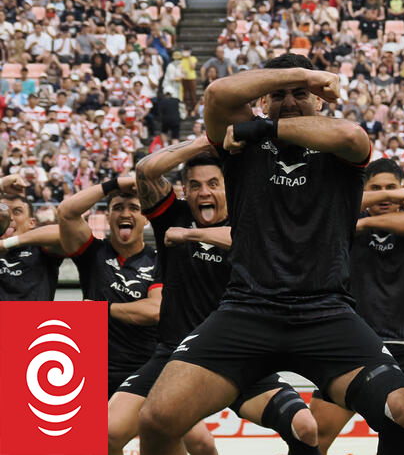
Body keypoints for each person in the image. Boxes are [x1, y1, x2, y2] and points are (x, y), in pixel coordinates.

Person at [136, 54, 404, 455]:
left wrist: (261, 125)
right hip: (247, 309)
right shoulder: (239, 148)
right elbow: (218, 93)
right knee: (156, 419)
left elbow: (355, 138)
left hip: (326, 312)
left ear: (320, 101)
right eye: (278, 95)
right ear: (262, 100)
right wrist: (304, 75)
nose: (290, 100)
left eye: (301, 94)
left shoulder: (333, 143)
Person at [113, 136, 321, 455]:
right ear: (185, 191)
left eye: (213, 183)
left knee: (305, 427)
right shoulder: (172, 215)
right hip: (174, 355)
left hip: (238, 355)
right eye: (194, 186)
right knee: (107, 432)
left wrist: (191, 234)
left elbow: (245, 240)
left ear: (228, 187)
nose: (204, 192)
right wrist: (204, 142)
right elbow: (145, 173)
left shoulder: (248, 217)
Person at [310, 158, 404, 455]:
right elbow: (330, 204)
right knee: (313, 436)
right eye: (377, 189)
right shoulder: (341, 222)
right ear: (363, 191)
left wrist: (364, 222)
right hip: (355, 346)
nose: (386, 195)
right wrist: (360, 217)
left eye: (391, 188)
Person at [55, 177, 160, 397]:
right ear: (108, 216)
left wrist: (100, 309)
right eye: (118, 208)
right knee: (95, 432)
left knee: (185, 432)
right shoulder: (92, 252)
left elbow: (154, 310)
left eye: (134, 208)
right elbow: (66, 212)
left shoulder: (159, 260)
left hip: (143, 370)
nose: (125, 214)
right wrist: (113, 184)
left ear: (145, 218)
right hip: (91, 370)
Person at [0, 175, 66, 300]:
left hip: (34, 319)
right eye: (3, 212)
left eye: (17, 211)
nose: (9, 218)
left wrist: (6, 244)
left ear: (31, 223)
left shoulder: (40, 248)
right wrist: (1, 183)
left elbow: (63, 232)